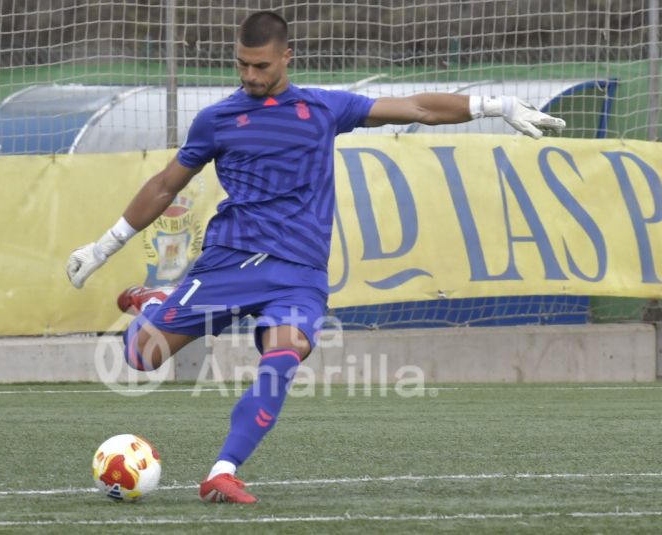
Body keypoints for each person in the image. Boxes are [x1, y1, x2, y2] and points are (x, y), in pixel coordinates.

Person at [66, 11, 565, 504]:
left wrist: (493, 105)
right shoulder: (217, 119)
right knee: (141, 357)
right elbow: (164, 184)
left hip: (299, 275)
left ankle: (223, 471)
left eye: (260, 66)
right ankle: (156, 303)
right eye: (241, 65)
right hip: (230, 262)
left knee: (284, 355)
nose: (250, 77)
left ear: (287, 57)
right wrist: (103, 246)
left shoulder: (324, 108)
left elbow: (417, 108)